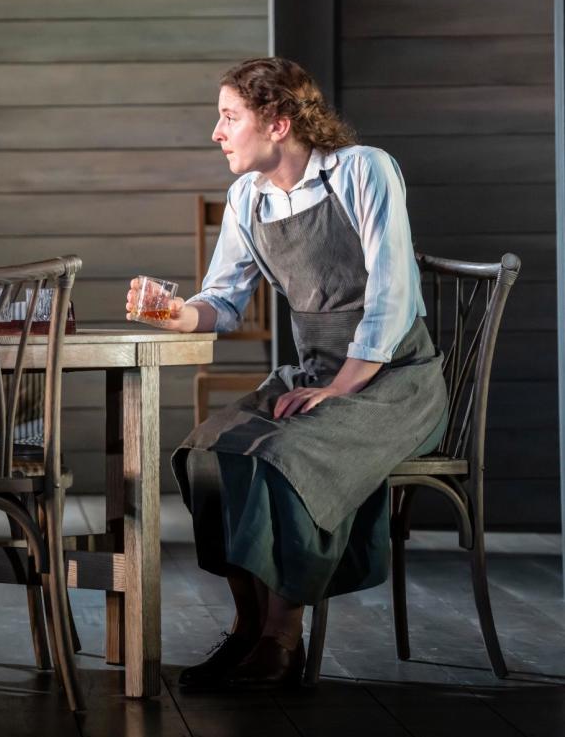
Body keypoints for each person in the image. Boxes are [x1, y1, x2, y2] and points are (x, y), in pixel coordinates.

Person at [127, 57, 447, 689]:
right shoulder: (248, 196)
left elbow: (391, 296)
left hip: (394, 380)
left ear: (276, 122)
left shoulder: (363, 170)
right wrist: (172, 313)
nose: (216, 133)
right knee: (204, 453)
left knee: (282, 454)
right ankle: (247, 631)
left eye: (228, 117)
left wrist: (339, 387)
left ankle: (282, 638)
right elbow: (220, 303)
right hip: (314, 372)